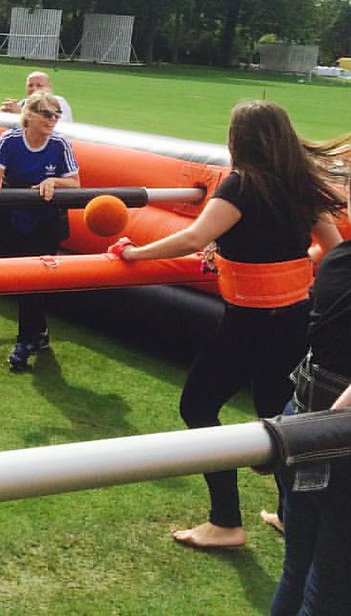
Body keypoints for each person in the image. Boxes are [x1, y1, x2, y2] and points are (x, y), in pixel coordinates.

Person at [114, 101, 345, 549]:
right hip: (295, 320)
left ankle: (225, 522)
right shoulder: (298, 184)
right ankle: (288, 514)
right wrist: (287, 263)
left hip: (248, 324)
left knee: (198, 407)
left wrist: (134, 253)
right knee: (278, 418)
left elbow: (194, 237)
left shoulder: (240, 185)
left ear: (239, 140)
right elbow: (333, 249)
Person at [271, 220, 351, 616]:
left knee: (298, 571)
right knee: (329, 593)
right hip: (333, 437)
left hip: (303, 421)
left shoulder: (339, 259)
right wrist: (328, 434)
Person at [0, 91, 80, 371]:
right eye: (47, 114)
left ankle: (25, 341)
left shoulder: (60, 144)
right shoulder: (10, 140)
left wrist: (53, 182)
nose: (53, 120)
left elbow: (75, 183)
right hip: (12, 214)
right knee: (17, 277)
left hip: (45, 219)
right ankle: (40, 332)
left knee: (31, 278)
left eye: (56, 115)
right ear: (30, 115)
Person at [0, 70, 73, 123]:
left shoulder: (58, 102)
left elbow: (62, 125)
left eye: (39, 85)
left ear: (49, 87)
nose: (34, 88)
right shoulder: (23, 103)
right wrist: (2, 112)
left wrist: (21, 113)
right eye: (30, 85)